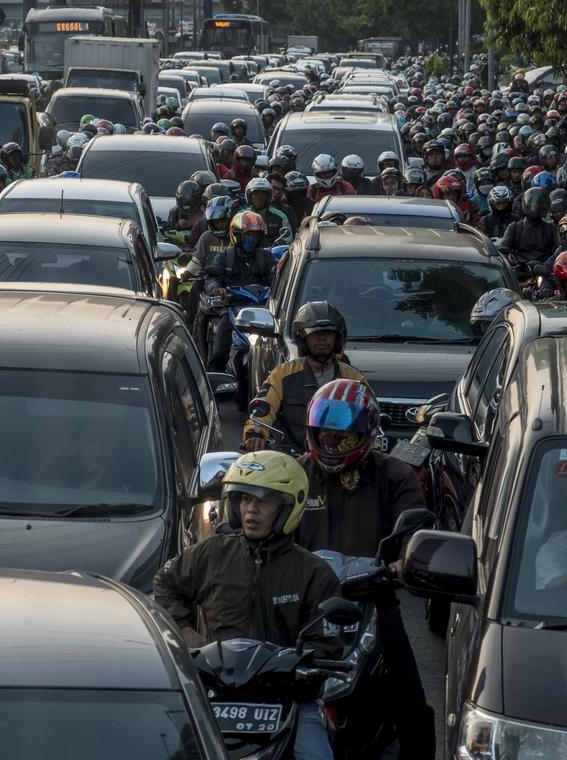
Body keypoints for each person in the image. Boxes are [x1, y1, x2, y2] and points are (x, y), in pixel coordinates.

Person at [153, 450, 341, 760]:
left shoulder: (314, 573)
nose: (251, 510)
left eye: (264, 501)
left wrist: (302, 665)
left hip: (287, 698)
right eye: (244, 499)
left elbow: (327, 641)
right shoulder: (212, 553)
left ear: (286, 508)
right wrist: (184, 630)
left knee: (316, 756)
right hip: (215, 691)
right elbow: (165, 583)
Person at [295, 379, 434, 760]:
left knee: (410, 701)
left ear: (364, 433)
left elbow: (416, 532)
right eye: (324, 431)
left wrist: (403, 561)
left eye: (341, 433)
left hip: (372, 603)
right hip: (302, 606)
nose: (331, 439)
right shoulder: (295, 474)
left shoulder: (394, 476)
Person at [244, 302, 365, 455]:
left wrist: (375, 442)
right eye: (314, 334)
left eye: (327, 333)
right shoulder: (282, 374)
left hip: (340, 458)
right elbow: (262, 409)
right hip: (292, 460)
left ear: (338, 338)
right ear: (302, 339)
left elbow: (369, 418)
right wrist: (256, 433)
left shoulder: (353, 378)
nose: (321, 338)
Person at [204, 211, 275, 371]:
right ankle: (215, 381)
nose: (252, 239)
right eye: (248, 235)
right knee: (220, 350)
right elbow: (211, 278)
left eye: (255, 235)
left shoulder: (266, 257)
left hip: (263, 312)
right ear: (237, 235)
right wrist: (216, 288)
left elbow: (276, 276)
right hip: (232, 310)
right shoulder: (224, 257)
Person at [500, 187, 558, 276]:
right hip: (518, 272)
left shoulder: (551, 229)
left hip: (543, 271)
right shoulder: (514, 227)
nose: (536, 207)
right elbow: (503, 252)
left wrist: (546, 266)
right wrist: (511, 262)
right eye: (533, 203)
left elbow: (557, 254)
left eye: (540, 204)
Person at [244, 177, 290, 245]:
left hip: (272, 252)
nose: (259, 197)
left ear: (268, 196)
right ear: (249, 196)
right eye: (256, 193)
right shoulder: (242, 215)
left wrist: (279, 244)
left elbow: (288, 237)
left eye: (263, 194)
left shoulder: (280, 216)